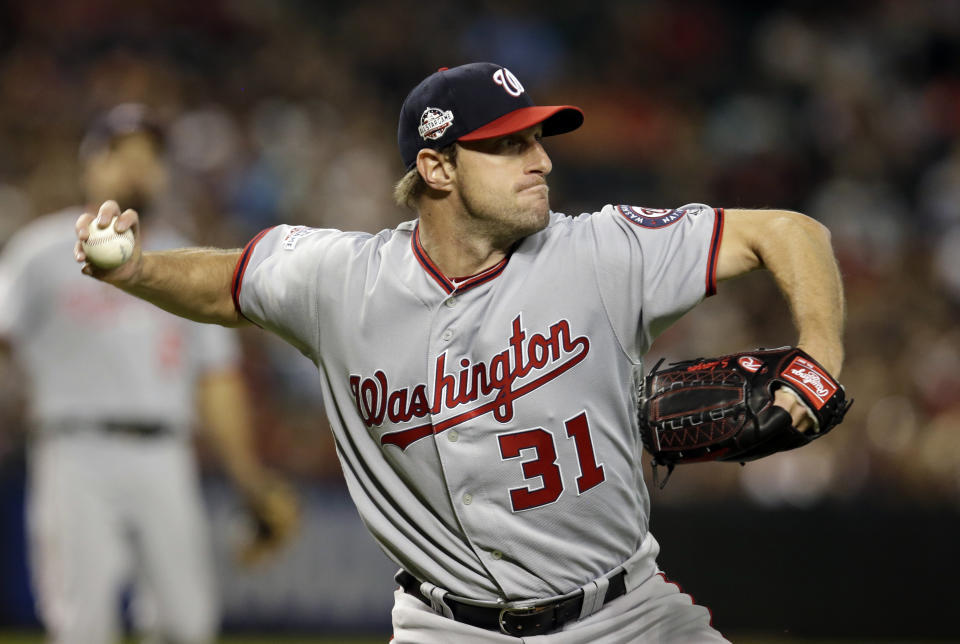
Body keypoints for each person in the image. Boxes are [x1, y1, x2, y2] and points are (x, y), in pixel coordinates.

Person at [73, 65, 845, 643]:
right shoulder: (338, 280)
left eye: (538, 139)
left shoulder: (603, 250)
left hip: (626, 616)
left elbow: (789, 231)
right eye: (508, 146)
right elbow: (228, 282)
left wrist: (820, 352)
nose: (540, 160)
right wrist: (136, 269)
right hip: (449, 629)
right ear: (437, 168)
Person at [0, 104, 297, 644]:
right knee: (82, 628)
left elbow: (217, 381)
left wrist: (250, 482)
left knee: (188, 624)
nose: (137, 168)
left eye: (150, 156)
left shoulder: (186, 260)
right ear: (90, 165)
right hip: (73, 453)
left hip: (166, 456)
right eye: (121, 154)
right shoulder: (41, 252)